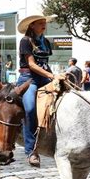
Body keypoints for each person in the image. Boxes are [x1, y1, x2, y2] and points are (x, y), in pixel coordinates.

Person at [16, 14, 60, 167]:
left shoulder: (45, 41)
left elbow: (44, 63)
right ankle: (31, 150)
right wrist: (52, 75)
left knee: (65, 98)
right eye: (40, 23)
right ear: (32, 26)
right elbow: (32, 65)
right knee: (29, 108)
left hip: (44, 77)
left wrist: (58, 77)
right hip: (29, 78)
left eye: (44, 23)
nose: (44, 25)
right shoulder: (25, 41)